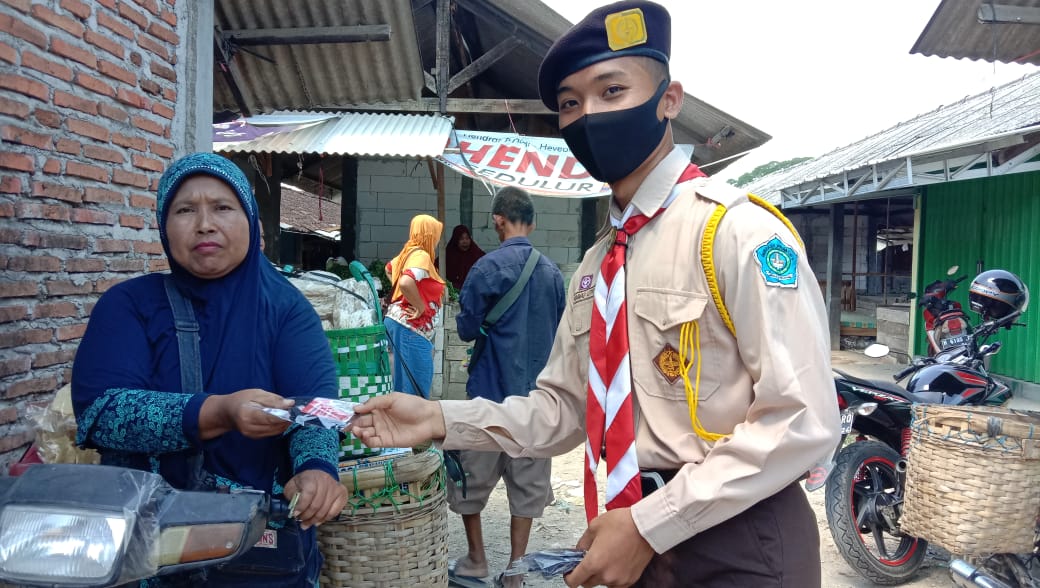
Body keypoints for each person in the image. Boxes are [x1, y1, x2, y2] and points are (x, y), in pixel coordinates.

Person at [351, 2, 839, 587]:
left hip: (738, 542)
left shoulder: (736, 232)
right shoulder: (596, 266)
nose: (589, 115)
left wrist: (653, 523)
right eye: (570, 104)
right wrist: (436, 418)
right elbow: (561, 411)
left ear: (669, 99)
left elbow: (802, 417)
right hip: (631, 538)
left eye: (612, 90)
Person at [72, 152, 348, 587]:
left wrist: (316, 469)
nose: (204, 223)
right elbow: (102, 414)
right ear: (165, 227)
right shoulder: (129, 306)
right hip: (148, 552)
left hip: (259, 551)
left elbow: (312, 408)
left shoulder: (286, 310)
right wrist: (217, 412)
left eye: (222, 207)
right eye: (185, 210)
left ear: (252, 221)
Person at [448, 187, 565, 587]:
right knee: (528, 486)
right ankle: (515, 572)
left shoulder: (485, 268)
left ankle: (477, 560)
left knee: (470, 480)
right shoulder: (552, 273)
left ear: (498, 219)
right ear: (531, 223)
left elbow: (465, 330)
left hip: (489, 396)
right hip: (537, 399)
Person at [383, 214, 446, 398]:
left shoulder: (408, 252)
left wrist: (406, 297)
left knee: (404, 386)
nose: (436, 240)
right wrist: (419, 305)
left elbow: (389, 269)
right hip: (411, 328)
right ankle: (410, 426)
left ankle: (401, 425)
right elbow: (405, 282)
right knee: (414, 390)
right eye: (435, 235)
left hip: (400, 324)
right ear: (428, 235)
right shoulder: (421, 255)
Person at [445, 224, 486, 290]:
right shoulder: (449, 255)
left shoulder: (476, 254)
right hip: (453, 293)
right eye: (461, 239)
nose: (465, 242)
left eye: (467, 238)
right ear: (456, 240)